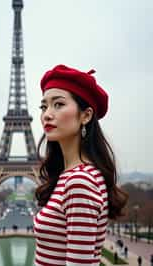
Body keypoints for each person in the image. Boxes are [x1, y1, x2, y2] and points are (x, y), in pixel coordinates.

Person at [34, 64, 128, 265]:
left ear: (86, 115)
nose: (47, 114)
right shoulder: (70, 176)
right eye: (43, 106)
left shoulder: (80, 181)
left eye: (58, 104)